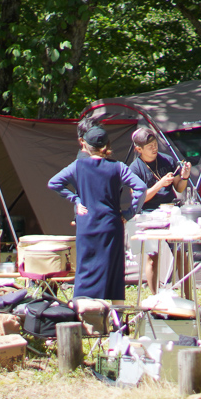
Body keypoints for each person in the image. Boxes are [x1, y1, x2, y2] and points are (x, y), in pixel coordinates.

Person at [48, 126, 148, 304]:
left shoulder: (77, 166)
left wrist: (76, 200)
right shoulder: (118, 167)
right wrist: (129, 212)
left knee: (85, 268)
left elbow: (54, 183)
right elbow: (141, 187)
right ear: (107, 145)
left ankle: (83, 314)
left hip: (87, 225)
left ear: (86, 145)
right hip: (111, 225)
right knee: (114, 270)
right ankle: (118, 319)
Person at [129, 128, 192, 295]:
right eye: (149, 146)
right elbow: (139, 198)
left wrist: (184, 177)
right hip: (148, 215)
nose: (154, 148)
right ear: (139, 149)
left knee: (181, 254)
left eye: (155, 144)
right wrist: (160, 184)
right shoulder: (135, 169)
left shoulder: (167, 161)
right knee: (152, 258)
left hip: (170, 211)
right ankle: (156, 297)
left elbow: (179, 187)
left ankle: (188, 296)